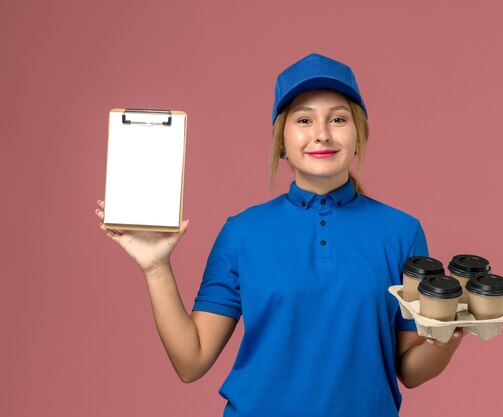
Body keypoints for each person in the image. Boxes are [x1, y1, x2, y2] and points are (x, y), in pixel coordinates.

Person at [95, 53, 464, 417]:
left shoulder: (401, 232)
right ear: (282, 140)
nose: (322, 134)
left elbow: (411, 369)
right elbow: (191, 361)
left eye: (338, 119)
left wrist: (446, 338)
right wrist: (156, 266)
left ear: (358, 135)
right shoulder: (241, 233)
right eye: (304, 119)